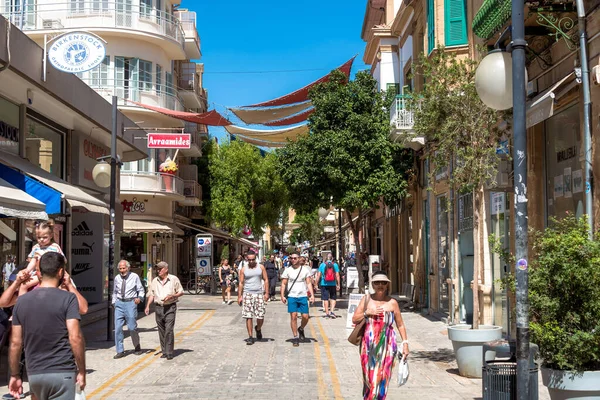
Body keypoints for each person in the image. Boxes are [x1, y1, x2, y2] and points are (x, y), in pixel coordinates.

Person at [9, 252, 86, 400]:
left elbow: (15, 343)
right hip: (63, 372)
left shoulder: (22, 301)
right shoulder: (68, 299)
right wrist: (81, 370)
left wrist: (15, 375)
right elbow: (75, 337)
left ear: (39, 273)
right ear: (60, 272)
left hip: (35, 374)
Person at [352, 271, 409, 400]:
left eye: (383, 283)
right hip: (368, 347)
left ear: (387, 285)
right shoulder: (366, 299)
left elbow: (400, 325)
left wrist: (405, 343)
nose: (380, 285)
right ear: (373, 284)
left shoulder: (393, 303)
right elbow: (355, 319)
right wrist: (367, 312)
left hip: (388, 346)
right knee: (370, 379)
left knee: (383, 378)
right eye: (377, 283)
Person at [145, 261, 184, 360]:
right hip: (158, 308)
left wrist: (173, 296)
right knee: (161, 330)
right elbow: (151, 294)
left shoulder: (173, 279)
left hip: (170, 307)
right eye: (157, 269)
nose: (158, 271)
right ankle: (164, 351)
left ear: (166, 269)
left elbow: (181, 292)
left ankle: (169, 351)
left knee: (169, 330)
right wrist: (147, 306)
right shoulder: (155, 281)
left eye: (160, 269)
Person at [113, 260, 144, 359]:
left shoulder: (134, 276)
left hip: (130, 303)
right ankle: (120, 350)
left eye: (124, 268)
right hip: (119, 303)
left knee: (131, 327)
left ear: (128, 268)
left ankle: (137, 346)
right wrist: (114, 302)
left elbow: (141, 289)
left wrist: (140, 298)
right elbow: (114, 291)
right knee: (118, 328)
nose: (122, 270)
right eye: (120, 269)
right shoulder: (117, 278)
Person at [280, 253, 314, 347]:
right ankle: (295, 337)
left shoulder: (305, 270)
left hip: (303, 295)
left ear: (299, 259)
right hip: (292, 296)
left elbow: (308, 283)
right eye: (291, 258)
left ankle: (301, 328)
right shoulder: (288, 270)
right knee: (293, 316)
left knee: (305, 316)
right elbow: (283, 284)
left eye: (295, 258)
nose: (293, 260)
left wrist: (312, 295)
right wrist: (282, 295)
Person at [237, 251, 268, 345]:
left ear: (256, 259)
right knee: (248, 316)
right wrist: (239, 296)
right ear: (246, 259)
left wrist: (267, 293)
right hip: (247, 294)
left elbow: (266, 279)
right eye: (249, 260)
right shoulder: (243, 269)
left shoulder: (261, 267)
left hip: (259, 293)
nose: (251, 261)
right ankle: (250, 336)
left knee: (260, 316)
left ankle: (258, 328)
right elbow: (241, 283)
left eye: (253, 259)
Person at [316, 254, 341, 318]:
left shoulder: (322, 265)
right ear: (332, 258)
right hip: (333, 284)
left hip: (324, 284)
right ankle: (332, 311)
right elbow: (337, 275)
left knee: (325, 299)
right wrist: (338, 284)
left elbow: (318, 275)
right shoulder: (335, 265)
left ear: (325, 258)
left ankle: (327, 313)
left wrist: (316, 284)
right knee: (333, 298)